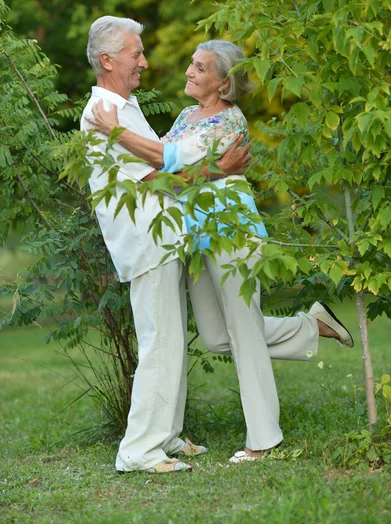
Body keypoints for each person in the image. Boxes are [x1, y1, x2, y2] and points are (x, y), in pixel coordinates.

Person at [88, 39, 354, 464]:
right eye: (191, 64)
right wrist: (163, 173)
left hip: (231, 233)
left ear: (223, 83)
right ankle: (310, 327)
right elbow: (166, 174)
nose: (189, 72)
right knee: (215, 337)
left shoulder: (228, 123)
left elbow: (170, 157)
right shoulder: (185, 115)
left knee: (244, 333)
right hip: (194, 237)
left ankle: (264, 441)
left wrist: (115, 132)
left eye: (200, 68)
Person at [81, 18, 251, 474]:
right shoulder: (103, 114)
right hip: (145, 240)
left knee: (170, 340)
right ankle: (139, 450)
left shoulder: (123, 105)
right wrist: (221, 169)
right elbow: (161, 177)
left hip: (161, 237)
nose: (144, 62)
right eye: (136, 54)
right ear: (108, 60)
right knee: (160, 341)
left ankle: (167, 435)